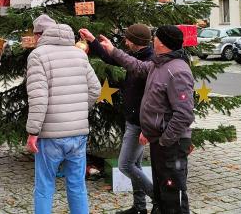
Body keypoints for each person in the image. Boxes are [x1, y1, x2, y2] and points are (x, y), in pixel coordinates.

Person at [97, 25, 195, 214]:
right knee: (162, 189)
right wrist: (111, 49)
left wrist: (165, 139)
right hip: (159, 140)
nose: (153, 40)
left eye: (156, 37)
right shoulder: (159, 64)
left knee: (173, 191)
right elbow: (137, 66)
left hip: (171, 143)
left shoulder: (177, 71)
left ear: (163, 43)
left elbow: (184, 114)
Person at [25, 14, 101, 214]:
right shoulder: (79, 54)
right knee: (77, 186)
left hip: (50, 135)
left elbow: (38, 98)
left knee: (44, 186)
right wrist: (78, 112)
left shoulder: (38, 56)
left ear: (39, 34)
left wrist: (33, 131)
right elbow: (95, 89)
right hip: (78, 133)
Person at [80, 25, 154, 214]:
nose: (125, 42)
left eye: (128, 39)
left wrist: (146, 126)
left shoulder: (149, 60)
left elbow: (154, 98)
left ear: (136, 42)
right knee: (135, 164)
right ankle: (139, 207)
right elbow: (110, 57)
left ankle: (159, 199)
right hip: (133, 119)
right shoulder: (137, 55)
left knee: (125, 165)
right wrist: (92, 41)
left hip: (139, 123)